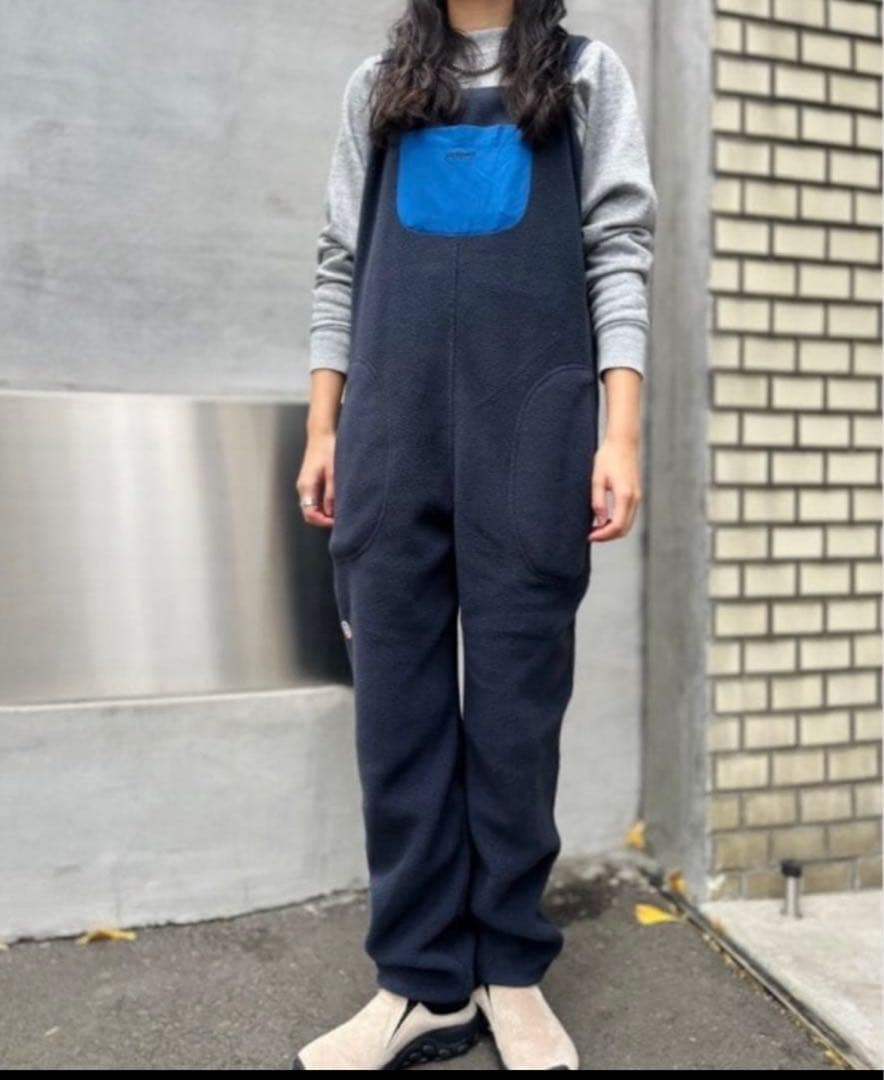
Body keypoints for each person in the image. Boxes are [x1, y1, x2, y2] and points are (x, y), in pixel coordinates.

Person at [294, 0, 656, 1069]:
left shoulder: (585, 77)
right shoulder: (378, 86)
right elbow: (338, 261)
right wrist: (323, 428)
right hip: (387, 433)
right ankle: (419, 983)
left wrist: (619, 433)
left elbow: (617, 251)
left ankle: (509, 969)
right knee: (396, 718)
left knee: (514, 718)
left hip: (533, 434)